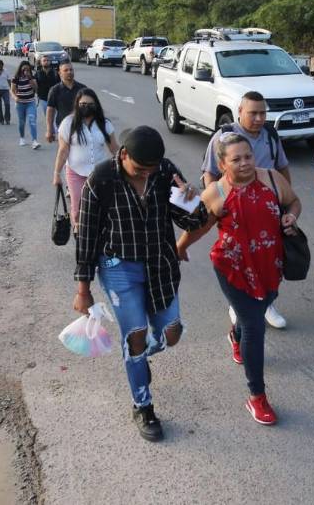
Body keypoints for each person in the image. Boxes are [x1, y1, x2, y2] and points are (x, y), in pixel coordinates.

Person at [74, 126, 207, 442]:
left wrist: (190, 201)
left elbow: (194, 222)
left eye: (151, 169)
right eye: (140, 168)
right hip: (119, 268)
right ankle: (143, 405)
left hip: (160, 265)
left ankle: (139, 356)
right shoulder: (101, 179)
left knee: (171, 334)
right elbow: (87, 236)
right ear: (123, 154)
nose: (146, 174)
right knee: (135, 335)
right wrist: (83, 289)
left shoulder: (164, 172)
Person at [178, 133, 301, 426]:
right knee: (255, 326)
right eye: (236, 159)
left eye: (248, 156)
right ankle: (257, 396)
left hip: (270, 264)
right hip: (232, 268)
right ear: (222, 164)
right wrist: (179, 248)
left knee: (260, 309)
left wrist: (291, 217)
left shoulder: (272, 179)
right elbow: (199, 227)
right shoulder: (216, 193)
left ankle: (236, 335)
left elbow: (294, 202)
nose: (245, 163)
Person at [201, 91, 291, 330]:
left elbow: (282, 168)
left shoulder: (270, 135)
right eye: (253, 113)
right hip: (236, 210)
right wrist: (217, 198)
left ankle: (267, 304)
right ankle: (238, 302)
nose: (259, 118)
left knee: (268, 259)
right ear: (240, 111)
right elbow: (209, 172)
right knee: (238, 259)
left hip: (265, 207)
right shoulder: (223, 137)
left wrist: (284, 204)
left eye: (263, 113)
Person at [52, 88, 118, 232]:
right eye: (82, 104)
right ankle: (79, 233)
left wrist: (125, 169)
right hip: (76, 173)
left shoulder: (104, 124)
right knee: (77, 208)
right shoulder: (68, 123)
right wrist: (56, 174)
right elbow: (63, 150)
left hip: (100, 173)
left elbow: (114, 148)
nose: (86, 107)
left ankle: (100, 233)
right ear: (77, 104)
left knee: (102, 206)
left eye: (90, 104)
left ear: (96, 105)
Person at [45, 61, 86, 142]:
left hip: (81, 127)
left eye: (71, 70)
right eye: (66, 70)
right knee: (64, 149)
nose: (69, 72)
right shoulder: (55, 90)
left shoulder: (82, 89)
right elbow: (50, 111)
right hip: (62, 127)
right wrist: (49, 130)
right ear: (60, 73)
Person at [11, 60, 40, 148]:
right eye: (24, 69)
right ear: (20, 69)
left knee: (32, 121)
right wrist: (15, 97)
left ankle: (34, 141)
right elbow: (12, 91)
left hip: (30, 102)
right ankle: (22, 138)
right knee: (22, 122)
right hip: (20, 103)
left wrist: (30, 78)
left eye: (27, 69)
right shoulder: (16, 78)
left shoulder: (32, 77)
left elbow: (36, 89)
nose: (26, 71)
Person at [34, 55, 59, 120]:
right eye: (44, 60)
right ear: (41, 62)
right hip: (43, 98)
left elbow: (59, 84)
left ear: (50, 62)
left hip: (54, 98)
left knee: (54, 116)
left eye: (48, 60)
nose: (46, 62)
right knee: (47, 116)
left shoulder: (55, 72)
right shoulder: (38, 73)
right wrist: (37, 93)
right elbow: (34, 84)